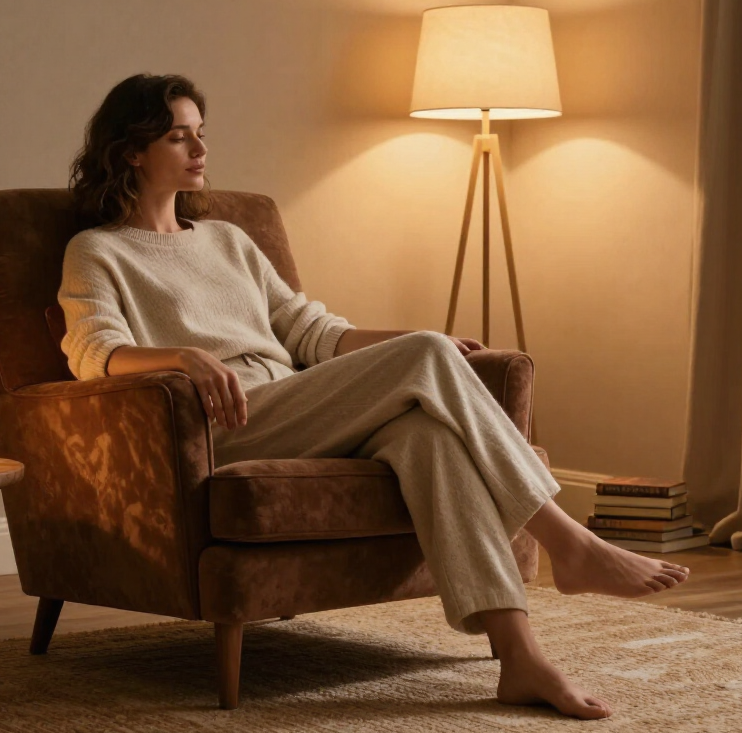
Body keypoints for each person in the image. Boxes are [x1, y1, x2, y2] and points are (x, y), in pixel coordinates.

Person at [59, 73, 689, 721]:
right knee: (423, 355)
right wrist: (185, 356)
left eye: (201, 133)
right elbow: (91, 353)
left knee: (430, 437)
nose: (199, 149)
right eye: (177, 136)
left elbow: (314, 333)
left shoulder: (228, 240)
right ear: (133, 151)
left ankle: (519, 656)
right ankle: (569, 544)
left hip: (298, 400)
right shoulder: (97, 251)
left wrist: (429, 343)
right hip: (224, 423)